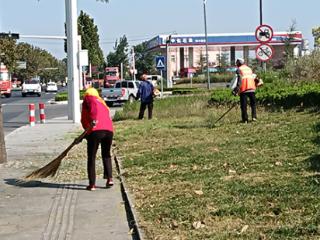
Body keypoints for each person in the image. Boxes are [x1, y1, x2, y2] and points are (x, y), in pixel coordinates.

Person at [81, 87, 114, 191]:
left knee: (92, 157)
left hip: (96, 130)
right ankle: (109, 179)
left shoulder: (87, 100)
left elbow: (84, 118)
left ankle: (92, 185)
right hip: (109, 130)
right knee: (106, 154)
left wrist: (86, 132)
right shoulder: (102, 101)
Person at [232, 58, 257, 123]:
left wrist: (236, 90)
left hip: (244, 89)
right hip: (252, 88)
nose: (236, 64)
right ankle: (254, 117)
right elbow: (253, 77)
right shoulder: (249, 68)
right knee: (253, 104)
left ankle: (245, 119)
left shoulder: (239, 69)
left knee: (244, 105)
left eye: (236, 62)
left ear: (239, 63)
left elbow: (239, 80)